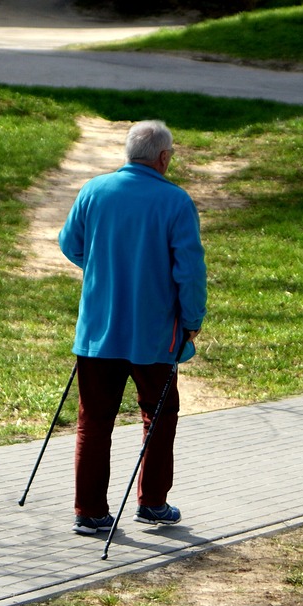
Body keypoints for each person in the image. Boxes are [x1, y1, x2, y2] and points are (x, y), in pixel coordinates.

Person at [58, 120, 207, 536]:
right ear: (163, 157)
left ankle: (89, 512)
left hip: (98, 331)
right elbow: (190, 273)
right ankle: (152, 503)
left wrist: (104, 271)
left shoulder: (93, 191)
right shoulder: (175, 202)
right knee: (159, 415)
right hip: (154, 334)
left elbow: (70, 244)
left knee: (93, 420)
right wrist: (192, 321)